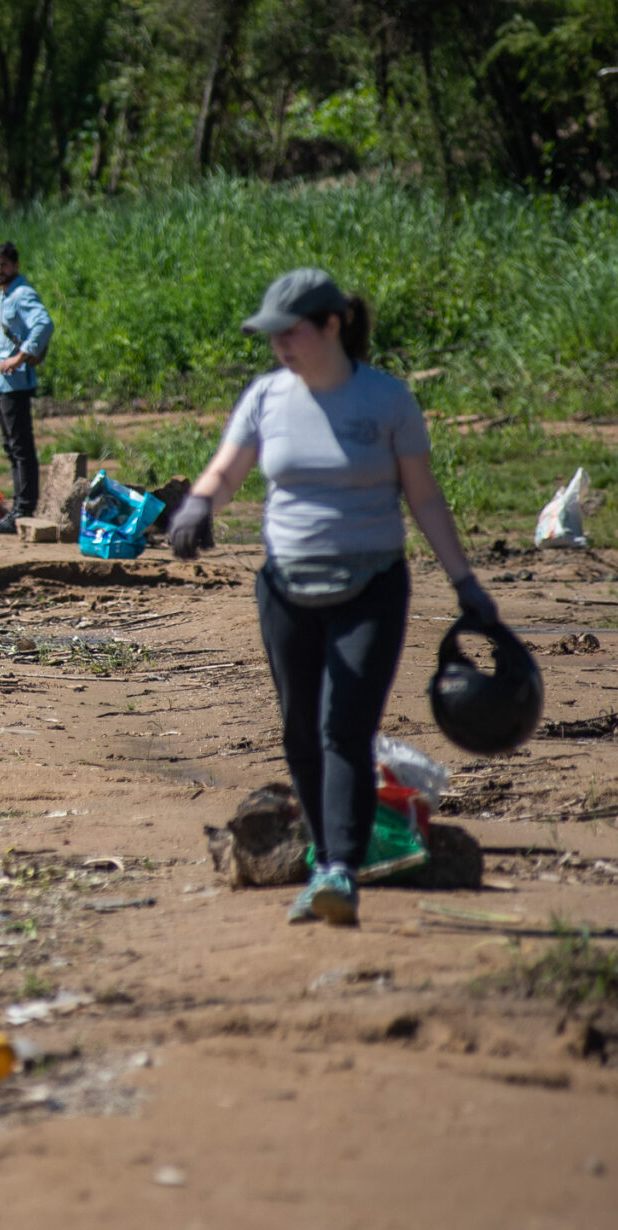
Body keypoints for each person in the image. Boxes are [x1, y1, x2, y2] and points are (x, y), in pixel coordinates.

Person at [169, 269, 499, 928]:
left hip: (371, 586)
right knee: (299, 731)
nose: (280, 347)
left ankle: (340, 870)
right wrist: (200, 504)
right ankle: (325, 856)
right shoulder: (266, 397)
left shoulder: (385, 400)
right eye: (272, 336)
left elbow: (424, 496)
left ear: (332, 326)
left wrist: (465, 583)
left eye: (291, 332)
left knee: (342, 726)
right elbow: (228, 466)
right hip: (286, 589)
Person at [0, 241, 53, 534]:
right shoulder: (5, 294)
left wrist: (20, 356)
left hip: (15, 383)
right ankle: (19, 508)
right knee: (11, 446)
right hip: (2, 383)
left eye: (4, 265)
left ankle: (22, 510)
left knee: (20, 446)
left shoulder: (22, 293)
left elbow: (44, 323)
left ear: (16, 266)